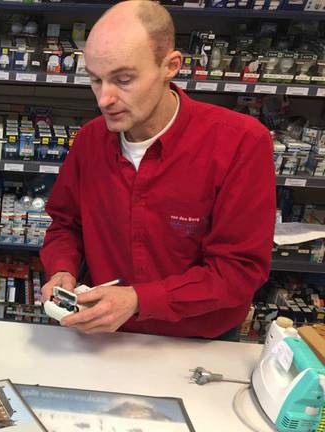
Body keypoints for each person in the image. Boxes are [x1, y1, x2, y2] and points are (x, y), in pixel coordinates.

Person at [40, 1, 275, 339]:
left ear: (170, 66)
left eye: (123, 79)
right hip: (107, 337)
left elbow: (239, 270)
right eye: (95, 80)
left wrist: (139, 300)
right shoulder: (91, 140)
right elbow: (65, 224)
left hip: (198, 341)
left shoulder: (240, 143)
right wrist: (62, 270)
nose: (104, 99)